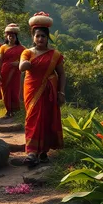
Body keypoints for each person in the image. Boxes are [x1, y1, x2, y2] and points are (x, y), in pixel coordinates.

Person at [20, 12, 65, 166]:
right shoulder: (27, 52)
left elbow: (62, 74)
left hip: (48, 92)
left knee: (46, 119)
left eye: (43, 36)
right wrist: (24, 65)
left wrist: (61, 92)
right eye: (37, 36)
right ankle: (31, 151)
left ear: (47, 38)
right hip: (32, 89)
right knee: (32, 118)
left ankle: (43, 151)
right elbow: (22, 65)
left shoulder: (55, 55)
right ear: (33, 37)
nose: (40, 39)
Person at [0, 23, 25, 118]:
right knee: (5, 92)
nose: (11, 37)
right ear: (7, 37)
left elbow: (26, 59)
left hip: (16, 73)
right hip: (4, 71)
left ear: (16, 37)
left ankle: (14, 111)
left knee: (15, 91)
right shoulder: (3, 47)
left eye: (13, 36)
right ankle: (8, 110)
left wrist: (18, 63)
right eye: (9, 36)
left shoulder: (22, 48)